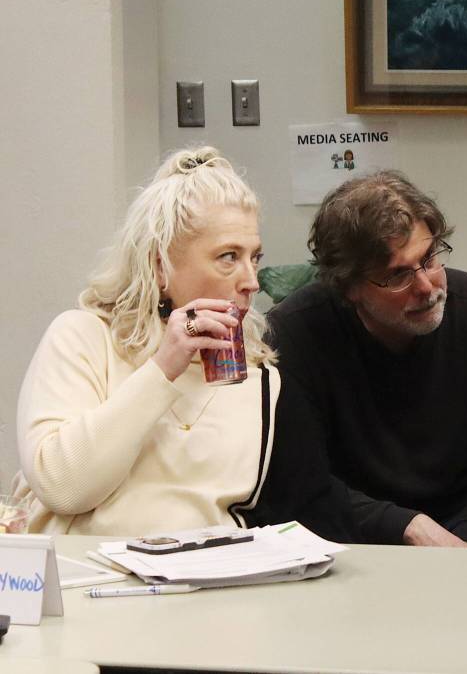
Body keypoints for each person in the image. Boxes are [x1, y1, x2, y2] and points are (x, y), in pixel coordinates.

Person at [12, 146, 357, 540]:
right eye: (228, 257)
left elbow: (306, 513)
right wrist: (164, 367)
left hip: (205, 585)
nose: (251, 281)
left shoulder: (260, 376)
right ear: (161, 265)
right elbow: (63, 488)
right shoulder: (83, 337)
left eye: (254, 258)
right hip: (84, 583)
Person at [268, 170, 467, 548]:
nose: (427, 287)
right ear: (349, 288)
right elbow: (300, 482)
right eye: (398, 275)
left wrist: (458, 550)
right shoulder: (294, 334)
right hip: (359, 534)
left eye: (429, 258)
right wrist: (408, 527)